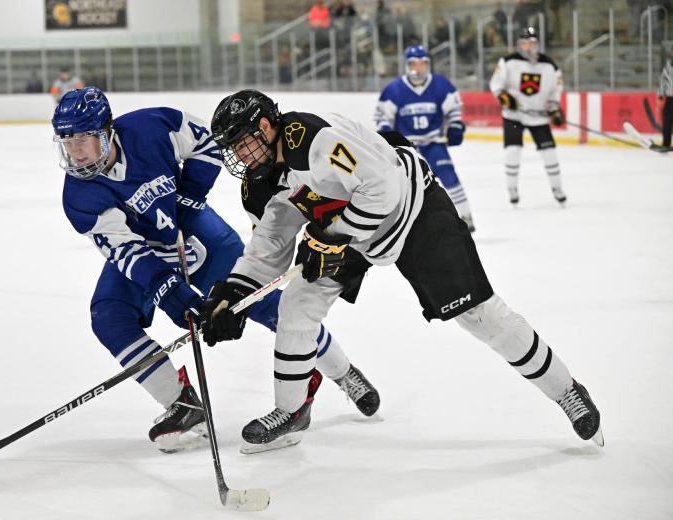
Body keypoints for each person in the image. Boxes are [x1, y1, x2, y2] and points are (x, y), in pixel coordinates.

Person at [204, 89, 603, 452]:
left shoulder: (311, 138)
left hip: (412, 210)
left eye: (242, 143)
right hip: (350, 232)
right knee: (296, 306)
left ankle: (566, 390)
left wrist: (332, 238)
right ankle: (291, 412)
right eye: (232, 149)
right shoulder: (258, 185)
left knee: (480, 316)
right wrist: (232, 293)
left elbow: (383, 189)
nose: (239, 156)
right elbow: (269, 246)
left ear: (266, 126)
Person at [51, 87, 380, 453]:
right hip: (150, 256)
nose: (75, 151)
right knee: (109, 315)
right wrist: (175, 298)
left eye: (83, 138)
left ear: (107, 130)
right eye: (67, 141)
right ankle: (182, 403)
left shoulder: (152, 126)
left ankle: (343, 372)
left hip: (201, 235)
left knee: (270, 307)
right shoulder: (79, 197)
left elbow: (206, 143)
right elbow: (127, 252)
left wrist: (189, 202)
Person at [375, 46, 475, 232]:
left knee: (449, 176)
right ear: (407, 65)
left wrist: (454, 126)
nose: (418, 69)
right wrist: (387, 134)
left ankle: (466, 215)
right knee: (405, 187)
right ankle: (403, 224)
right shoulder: (394, 90)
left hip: (433, 143)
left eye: (422, 64)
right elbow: (383, 118)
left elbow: (453, 109)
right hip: (408, 148)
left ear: (428, 65)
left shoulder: (440, 85)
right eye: (414, 64)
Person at [489, 26, 567, 206]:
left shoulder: (549, 65)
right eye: (524, 43)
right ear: (519, 45)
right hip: (513, 115)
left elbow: (556, 90)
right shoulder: (508, 61)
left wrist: (554, 108)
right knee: (513, 151)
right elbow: (496, 84)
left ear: (537, 44)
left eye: (532, 43)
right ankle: (512, 189)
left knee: (550, 153)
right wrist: (505, 97)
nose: (528, 47)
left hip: (538, 117)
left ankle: (557, 188)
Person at [658, 44, 673, 149]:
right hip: (670, 98)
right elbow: (663, 79)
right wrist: (661, 93)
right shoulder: (668, 65)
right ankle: (666, 144)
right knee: (667, 121)